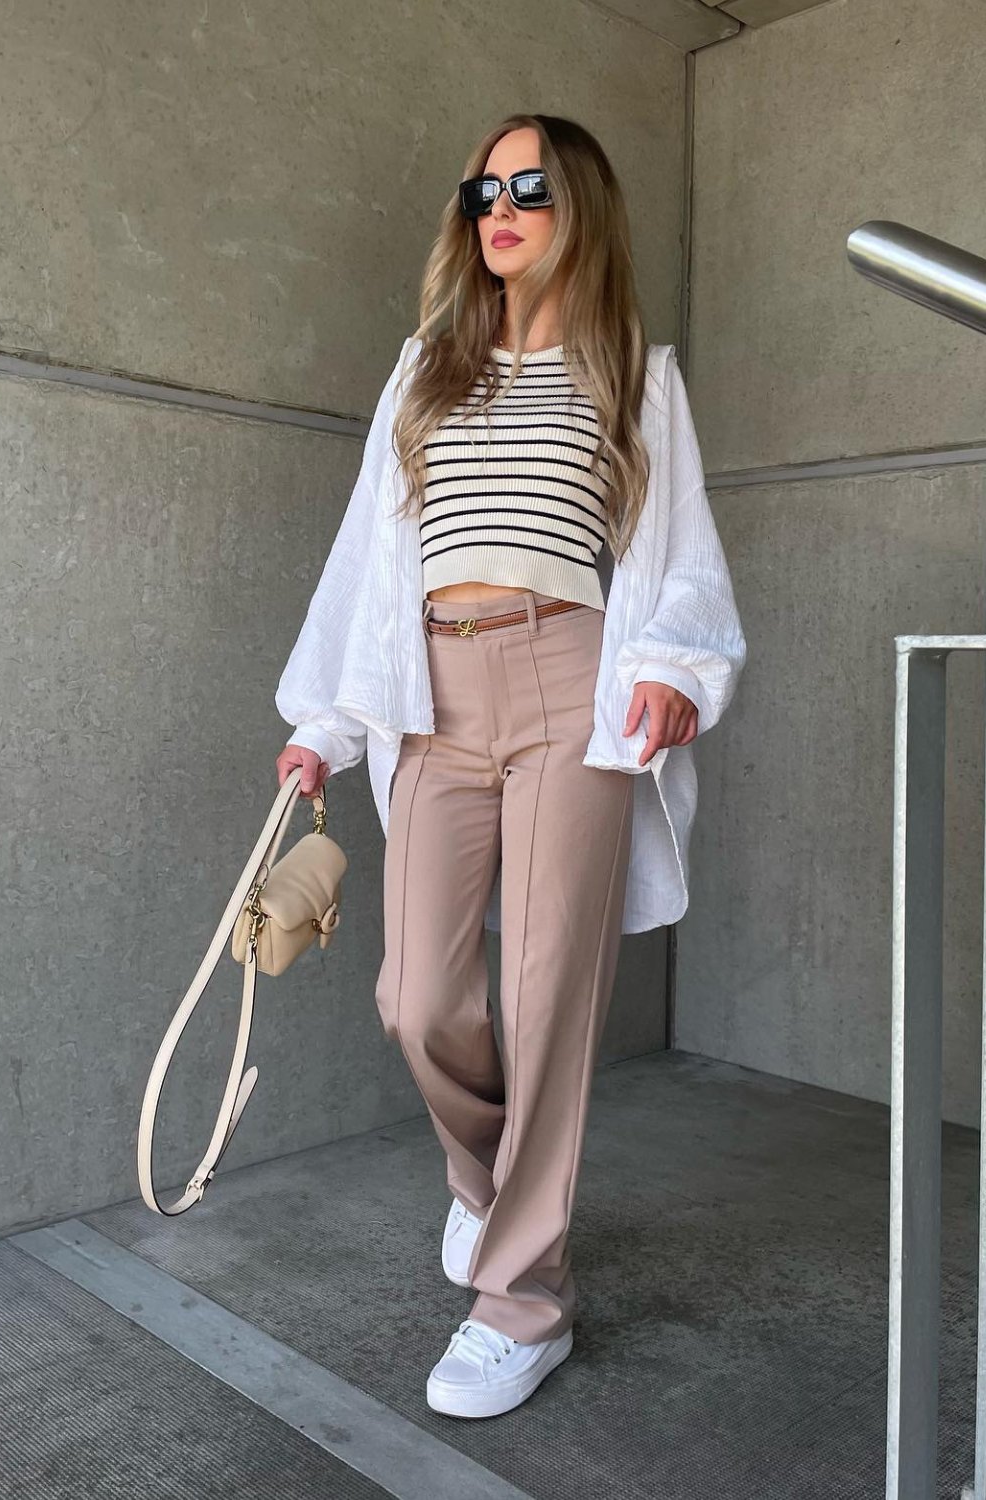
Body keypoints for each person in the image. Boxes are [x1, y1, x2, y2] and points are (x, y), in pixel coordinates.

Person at [275, 113, 747, 1419]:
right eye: (484, 185)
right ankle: (486, 1189)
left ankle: (524, 1299)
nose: (501, 204)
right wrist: (327, 723)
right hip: (434, 689)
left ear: (580, 205)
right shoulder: (425, 368)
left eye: (530, 185)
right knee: (416, 997)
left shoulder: (633, 376)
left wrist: (673, 670)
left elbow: (682, 561)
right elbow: (368, 568)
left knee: (547, 1002)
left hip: (570, 687)